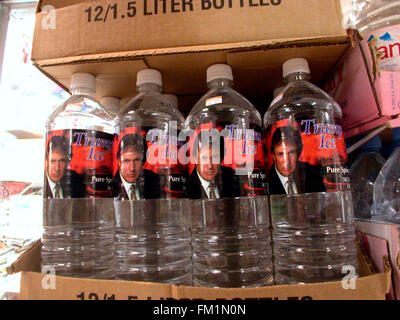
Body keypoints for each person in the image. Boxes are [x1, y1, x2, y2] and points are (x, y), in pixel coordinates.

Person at [268, 126, 326, 195]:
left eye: (291, 153)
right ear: (273, 155)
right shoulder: (267, 180)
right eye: (281, 154)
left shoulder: (312, 173)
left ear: (299, 151)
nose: (287, 162)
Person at [187, 134, 239, 199]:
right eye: (204, 158)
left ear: (220, 159)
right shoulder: (185, 188)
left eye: (214, 158)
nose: (210, 166)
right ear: (195, 158)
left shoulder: (231, 176)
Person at [113, 133, 161, 200]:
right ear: (119, 161)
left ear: (143, 161)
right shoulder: (110, 187)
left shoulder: (155, 180)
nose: (132, 168)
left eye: (136, 160)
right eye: (126, 161)